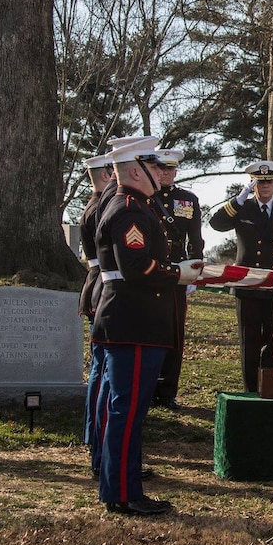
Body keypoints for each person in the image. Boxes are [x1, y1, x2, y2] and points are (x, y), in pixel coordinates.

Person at [92, 137, 202, 515]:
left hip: (133, 321)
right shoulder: (130, 211)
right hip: (134, 322)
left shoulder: (137, 206)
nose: (162, 174)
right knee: (127, 409)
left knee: (125, 408)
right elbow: (137, 268)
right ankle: (123, 492)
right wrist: (179, 274)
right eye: (155, 167)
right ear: (137, 170)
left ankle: (121, 485)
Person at [209, 161, 273, 393]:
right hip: (247, 288)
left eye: (269, 181)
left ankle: (272, 388)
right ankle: (251, 389)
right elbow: (216, 223)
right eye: (260, 182)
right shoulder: (242, 209)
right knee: (249, 341)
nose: (265, 186)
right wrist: (237, 200)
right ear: (252, 184)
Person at [153, 148, 204, 408]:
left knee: (175, 332)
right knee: (151, 329)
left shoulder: (188, 199)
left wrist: (195, 271)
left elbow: (195, 238)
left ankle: (167, 390)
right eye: (161, 168)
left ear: (176, 172)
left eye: (170, 169)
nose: (165, 173)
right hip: (152, 269)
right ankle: (149, 388)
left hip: (179, 272)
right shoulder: (145, 198)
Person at [80, 152, 112, 480]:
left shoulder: (95, 204)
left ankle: (94, 438)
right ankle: (97, 443)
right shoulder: (102, 206)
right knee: (102, 372)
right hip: (103, 287)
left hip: (95, 286)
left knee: (98, 370)